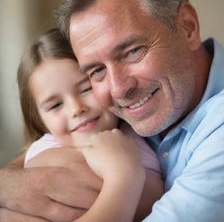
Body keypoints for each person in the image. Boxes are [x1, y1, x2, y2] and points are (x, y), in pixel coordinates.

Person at [1, 0, 224, 221]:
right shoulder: (141, 109)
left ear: (187, 26)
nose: (118, 89)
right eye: (96, 71)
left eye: (133, 52)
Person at [18, 27, 163, 222]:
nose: (76, 109)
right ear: (38, 119)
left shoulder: (137, 133)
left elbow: (155, 200)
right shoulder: (45, 155)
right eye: (56, 105)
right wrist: (123, 171)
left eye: (86, 89)